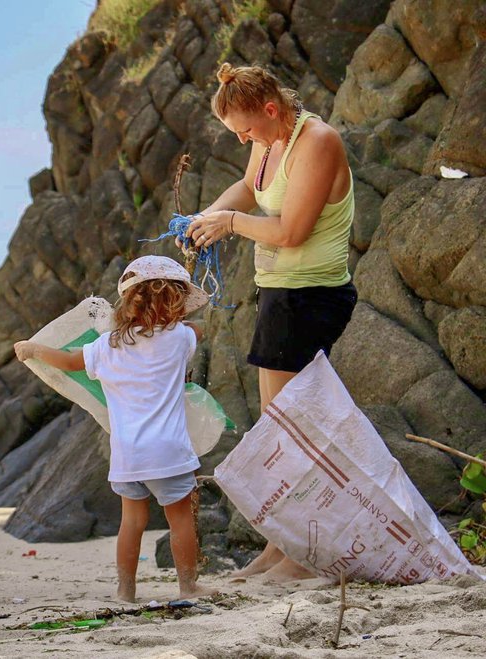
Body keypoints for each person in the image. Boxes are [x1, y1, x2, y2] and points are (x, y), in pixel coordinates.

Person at [183, 63, 358, 581]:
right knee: (276, 429)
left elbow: (291, 232)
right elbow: (247, 185)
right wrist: (208, 216)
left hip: (312, 296)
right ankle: (278, 548)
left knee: (290, 432)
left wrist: (231, 224)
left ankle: (303, 556)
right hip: (280, 295)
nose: (243, 141)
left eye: (246, 130)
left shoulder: (318, 142)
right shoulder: (267, 142)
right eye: (235, 135)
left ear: (270, 109)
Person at [14, 255, 217, 603]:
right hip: (169, 452)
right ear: (176, 303)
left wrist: (33, 349)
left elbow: (68, 361)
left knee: (131, 522)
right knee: (180, 520)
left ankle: (125, 590)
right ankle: (188, 586)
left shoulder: (106, 347)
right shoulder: (181, 338)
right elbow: (199, 329)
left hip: (127, 454)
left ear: (127, 303)